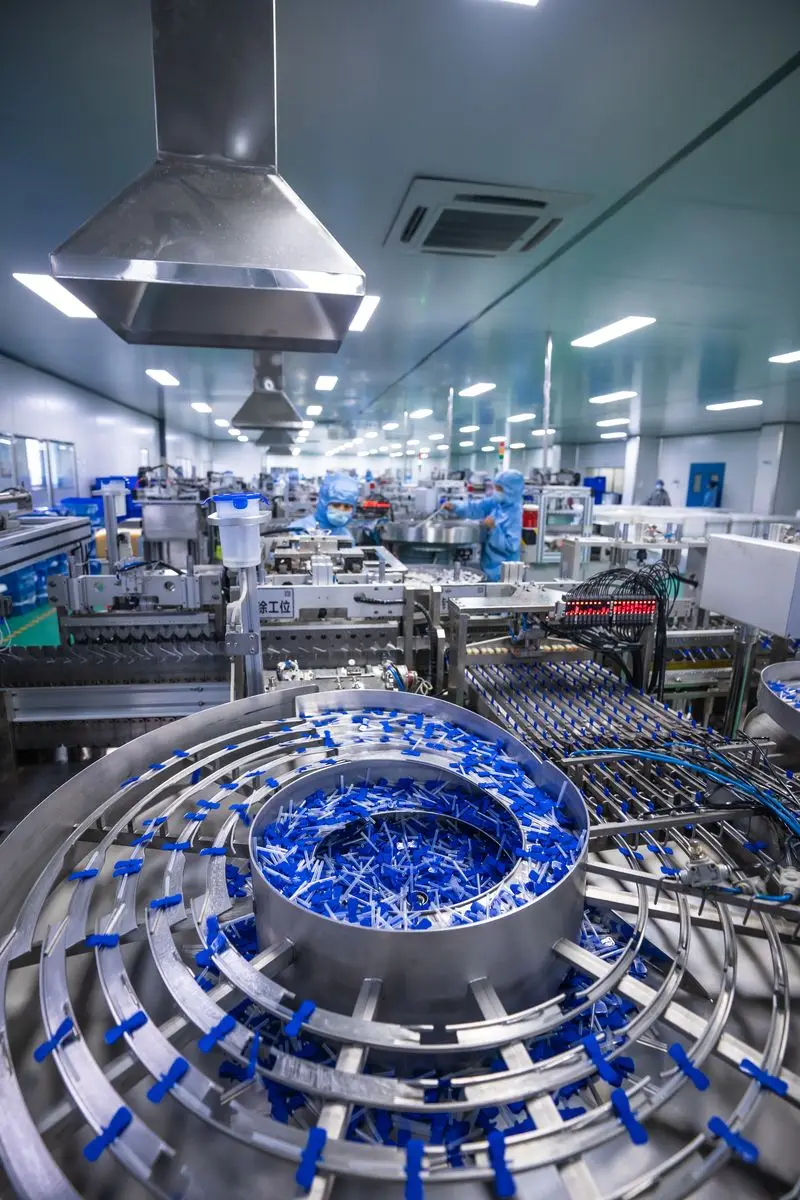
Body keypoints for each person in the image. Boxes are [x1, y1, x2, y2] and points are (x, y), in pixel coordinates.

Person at [445, 469, 524, 581]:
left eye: (500, 489)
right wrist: (455, 506)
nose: (496, 491)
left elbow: (511, 546)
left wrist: (494, 529)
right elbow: (476, 507)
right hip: (488, 566)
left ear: (511, 491)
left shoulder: (516, 514)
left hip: (504, 572)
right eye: (496, 487)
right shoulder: (497, 504)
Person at [290, 473, 360, 540]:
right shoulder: (297, 529)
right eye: (336, 505)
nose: (341, 510)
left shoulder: (346, 535)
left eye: (347, 507)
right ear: (323, 504)